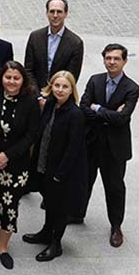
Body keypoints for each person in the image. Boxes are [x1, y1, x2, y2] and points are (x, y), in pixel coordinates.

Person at [78, 44, 139, 247]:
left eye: (116, 58)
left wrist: (98, 109)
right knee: (84, 180)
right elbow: (83, 107)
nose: (112, 62)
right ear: (103, 59)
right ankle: (77, 213)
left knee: (114, 187)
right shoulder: (95, 80)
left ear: (124, 61)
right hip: (92, 142)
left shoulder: (132, 88)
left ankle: (116, 226)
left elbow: (122, 118)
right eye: (108, 58)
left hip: (115, 148)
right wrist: (107, 113)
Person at [0, 60, 40, 270]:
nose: (11, 82)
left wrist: (7, 155)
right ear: (1, 79)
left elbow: (32, 134)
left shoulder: (31, 102)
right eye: (8, 77)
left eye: (16, 78)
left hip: (16, 165)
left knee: (9, 206)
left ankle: (3, 247)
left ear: (23, 80)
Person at [22, 71, 87, 262]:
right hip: (45, 163)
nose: (60, 90)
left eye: (65, 86)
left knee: (60, 207)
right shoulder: (50, 104)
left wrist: (60, 174)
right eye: (57, 85)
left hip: (62, 171)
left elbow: (73, 149)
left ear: (72, 90)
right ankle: (45, 232)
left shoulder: (75, 114)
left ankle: (55, 243)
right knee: (49, 201)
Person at [24, 0, 84, 89]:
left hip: (60, 95)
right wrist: (38, 96)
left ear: (66, 14)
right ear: (47, 13)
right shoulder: (35, 37)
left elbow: (71, 76)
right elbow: (28, 70)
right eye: (52, 11)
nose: (55, 15)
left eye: (59, 12)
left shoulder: (75, 43)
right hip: (35, 94)